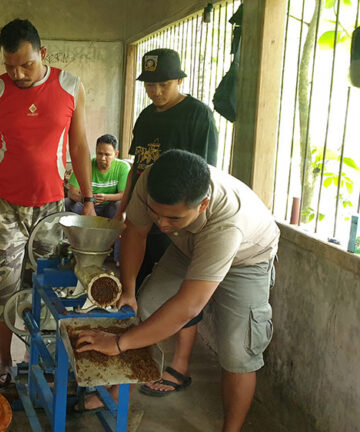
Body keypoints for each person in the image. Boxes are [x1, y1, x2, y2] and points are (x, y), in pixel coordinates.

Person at [76, 149, 279, 432]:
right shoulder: (151, 181)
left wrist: (119, 343)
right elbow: (135, 232)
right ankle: (119, 392)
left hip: (246, 260)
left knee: (237, 351)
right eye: (155, 213)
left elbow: (188, 306)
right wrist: (129, 291)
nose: (162, 225)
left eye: (173, 218)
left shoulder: (226, 222)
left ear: (203, 204)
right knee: (145, 307)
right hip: (189, 247)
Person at [0, 18, 96, 388]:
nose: (18, 74)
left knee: (47, 287)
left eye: (26, 64)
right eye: (10, 66)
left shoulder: (70, 86)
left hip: (51, 209)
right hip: (4, 207)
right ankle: (3, 362)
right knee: (1, 287)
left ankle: (34, 355)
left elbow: (79, 145)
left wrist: (88, 199)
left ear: (43, 53)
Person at [114, 48, 219, 398]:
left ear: (178, 80)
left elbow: (204, 175)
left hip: (179, 220)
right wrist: (124, 209)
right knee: (139, 287)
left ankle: (180, 366)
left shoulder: (197, 116)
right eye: (149, 85)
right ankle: (139, 356)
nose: (155, 91)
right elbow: (137, 167)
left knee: (181, 290)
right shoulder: (146, 116)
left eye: (163, 84)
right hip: (145, 212)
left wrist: (182, 221)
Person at [65, 133, 129, 262]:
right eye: (100, 153)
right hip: (87, 205)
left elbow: (124, 194)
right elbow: (72, 193)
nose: (103, 158)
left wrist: (106, 197)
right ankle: (72, 253)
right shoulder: (86, 165)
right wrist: (88, 200)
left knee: (119, 207)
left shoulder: (122, 167)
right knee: (68, 203)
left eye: (107, 154)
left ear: (116, 154)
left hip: (109, 206)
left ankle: (118, 259)